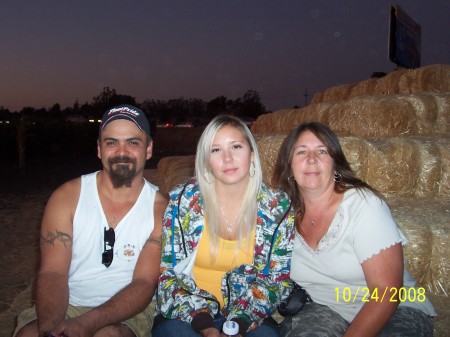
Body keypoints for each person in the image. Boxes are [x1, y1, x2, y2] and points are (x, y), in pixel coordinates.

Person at [14, 104, 168, 337]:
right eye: (111, 142)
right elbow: (53, 273)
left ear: (148, 149)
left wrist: (87, 324)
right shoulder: (66, 197)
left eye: (133, 142)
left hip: (128, 311)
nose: (121, 151)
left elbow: (144, 283)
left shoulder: (160, 209)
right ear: (99, 149)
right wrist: (49, 329)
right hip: (66, 301)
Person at [272, 122, 436, 337]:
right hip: (323, 307)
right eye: (301, 152)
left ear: (335, 164)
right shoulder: (280, 212)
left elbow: (387, 293)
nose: (311, 159)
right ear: (289, 165)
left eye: (322, 151)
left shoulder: (363, 205)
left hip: (395, 309)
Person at [152, 115, 295, 337]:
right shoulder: (183, 202)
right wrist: (205, 325)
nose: (227, 158)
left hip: (249, 315)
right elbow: (168, 276)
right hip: (188, 313)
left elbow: (276, 281)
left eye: (236, 146)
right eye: (216, 150)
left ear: (252, 154)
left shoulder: (277, 208)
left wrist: (239, 324)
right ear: (206, 160)